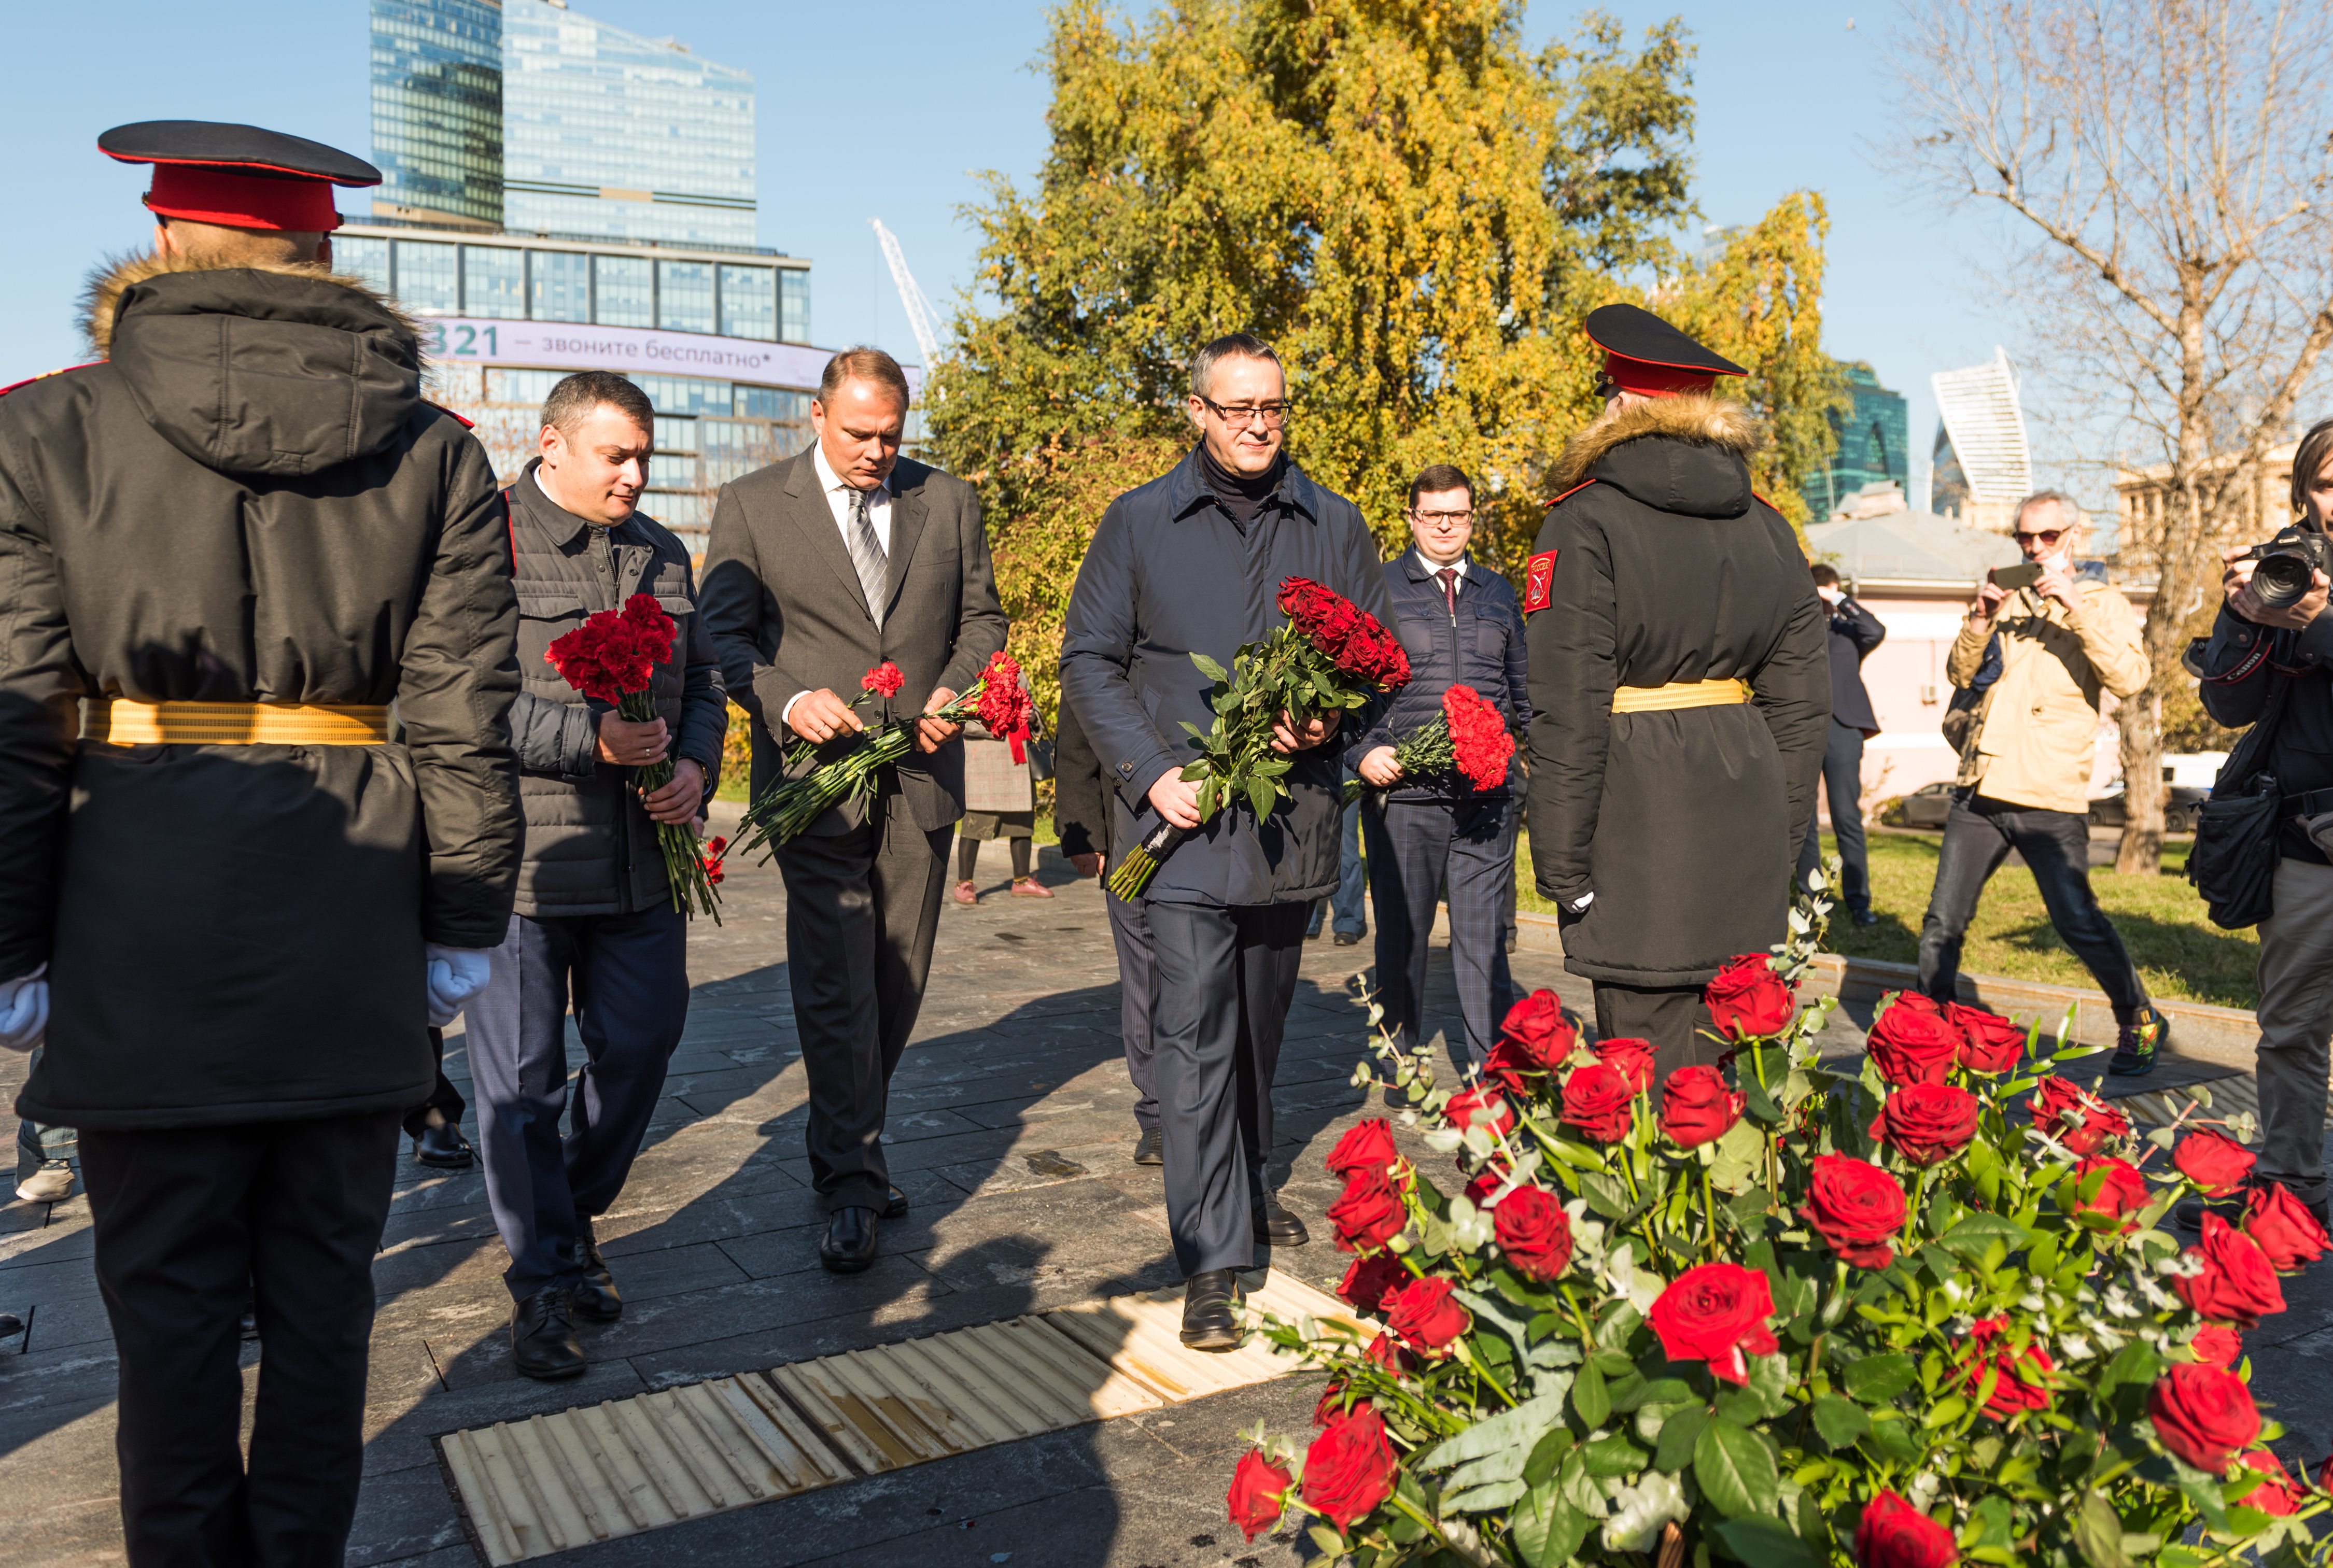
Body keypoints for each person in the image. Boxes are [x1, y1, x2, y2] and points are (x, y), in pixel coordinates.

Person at [0, 122, 519, 1565]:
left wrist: (10, 950)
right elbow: (461, 717)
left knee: (162, 1326)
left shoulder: (37, 433)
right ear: (324, 258)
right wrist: (463, 927)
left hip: (133, 932)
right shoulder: (436, 448)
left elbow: (15, 724)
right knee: (321, 1308)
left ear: (164, 248)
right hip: (349, 934)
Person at [1060, 332, 1387, 1348]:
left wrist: (1333, 720)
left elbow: (1379, 660)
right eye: (1238, 407)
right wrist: (1151, 772)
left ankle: (1243, 1183)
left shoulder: (1333, 523)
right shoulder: (1140, 521)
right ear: (1196, 411)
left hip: (1290, 826)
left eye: (1273, 408)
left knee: (1258, 1027)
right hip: (1185, 824)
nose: (1258, 424)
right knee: (1194, 1033)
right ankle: (1209, 1259)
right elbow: (1089, 660)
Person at [701, 347, 1008, 1274]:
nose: (878, 452)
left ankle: (853, 1142)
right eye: (860, 434)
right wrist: (789, 700)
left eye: (892, 436)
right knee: (838, 981)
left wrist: (954, 693)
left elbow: (983, 622)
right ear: (818, 416)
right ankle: (849, 1179)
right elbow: (722, 634)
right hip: (814, 782)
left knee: (899, 981)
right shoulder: (753, 505)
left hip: (920, 777)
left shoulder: (947, 502)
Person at [468, 371, 724, 1379]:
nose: (634, 475)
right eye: (616, 455)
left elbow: (699, 678)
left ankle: (567, 1214)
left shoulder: (662, 552)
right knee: (519, 1085)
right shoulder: (484, 540)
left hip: (641, 864)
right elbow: (457, 699)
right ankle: (541, 1282)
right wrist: (591, 743)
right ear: (552, 446)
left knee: (645, 1041)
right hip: (523, 866)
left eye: (644, 457)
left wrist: (696, 763)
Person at [1525, 303, 1831, 1075]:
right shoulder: (1769, 527)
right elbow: (1801, 703)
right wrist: (1785, 838)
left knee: (1645, 1091)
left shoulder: (1584, 519)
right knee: (1733, 1083)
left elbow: (1567, 707)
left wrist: (1561, 863)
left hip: (1637, 833)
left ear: (1624, 402)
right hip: (1748, 819)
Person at [1917, 491, 2167, 1070]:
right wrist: (1980, 616)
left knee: (2076, 920)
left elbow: (2130, 678)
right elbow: (1960, 673)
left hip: (2048, 788)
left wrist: (2075, 605)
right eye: (2024, 538)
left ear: (2075, 536)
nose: (2034, 548)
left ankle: (2139, 1016)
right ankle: (1928, 1033)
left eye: (2047, 537)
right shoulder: (2008, 599)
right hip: (1981, 785)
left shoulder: (2102, 600)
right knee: (1941, 924)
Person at [2180, 415, 2333, 1226]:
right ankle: (2294, 1188)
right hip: (2307, 841)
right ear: (2305, 491)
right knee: (2292, 1028)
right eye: (2328, 484)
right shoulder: (2285, 568)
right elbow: (2228, 703)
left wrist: (2320, 626)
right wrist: (2243, 614)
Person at [1352, 463, 1530, 1073]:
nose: (1446, 525)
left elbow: (1523, 692)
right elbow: (1347, 694)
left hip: (1486, 801)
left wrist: (1542, 765)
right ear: (1411, 519)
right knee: (1402, 941)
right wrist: (1362, 752)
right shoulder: (1380, 590)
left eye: (1457, 514)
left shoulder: (1499, 593)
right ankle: (1402, 1064)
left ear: (1472, 517)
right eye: (1433, 515)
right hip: (1405, 798)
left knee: (1484, 943)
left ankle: (1489, 1072)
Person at [1053, 700, 1163, 1165]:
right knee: (1144, 979)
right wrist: (1083, 834)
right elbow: (1077, 736)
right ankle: (1158, 1116)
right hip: (1127, 834)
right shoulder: (1107, 632)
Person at [1795, 563, 1887, 927]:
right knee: (1803, 819)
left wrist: (1835, 597)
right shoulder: (1800, 627)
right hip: (1802, 726)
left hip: (1844, 728)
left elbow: (1876, 629)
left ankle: (1858, 902)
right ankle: (1810, 899)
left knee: (1846, 815)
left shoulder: (1851, 630)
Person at [953, 672, 1050, 902]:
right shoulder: (969, 672)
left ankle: (1022, 880)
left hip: (1016, 758)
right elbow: (961, 719)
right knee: (974, 823)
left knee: (1022, 822)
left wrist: (1030, 716)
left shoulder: (1016, 672)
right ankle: (964, 883)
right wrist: (998, 719)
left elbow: (1031, 707)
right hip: (984, 758)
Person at [1303, 775, 1368, 945]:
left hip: (1344, 758)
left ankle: (1348, 922)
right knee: (1306, 841)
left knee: (1346, 842)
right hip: (1305, 759)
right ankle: (1305, 922)